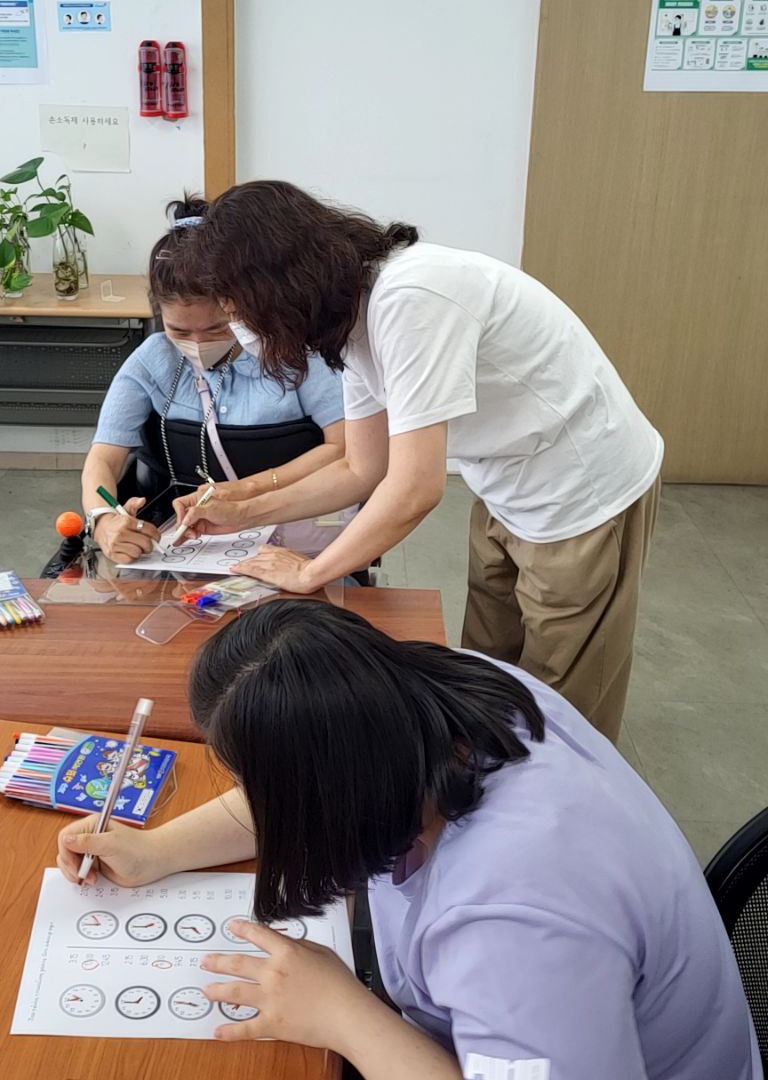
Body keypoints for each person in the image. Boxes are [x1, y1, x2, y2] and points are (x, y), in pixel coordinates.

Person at [56, 601, 760, 1079]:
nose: (260, 804)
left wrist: (341, 1014)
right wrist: (157, 849)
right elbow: (308, 781)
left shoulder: (513, 919)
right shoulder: (433, 692)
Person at [170, 180, 664, 740]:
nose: (240, 329)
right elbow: (363, 468)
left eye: (239, 309)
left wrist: (311, 571)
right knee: (491, 664)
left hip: (582, 488)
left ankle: (565, 812)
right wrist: (246, 514)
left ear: (281, 284)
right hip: (505, 478)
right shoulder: (347, 322)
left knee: (561, 697)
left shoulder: (411, 298)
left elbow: (413, 488)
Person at [81, 196, 348, 566]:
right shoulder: (151, 360)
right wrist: (103, 519)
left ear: (244, 306)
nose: (197, 343)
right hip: (191, 539)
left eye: (216, 328)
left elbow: (345, 447)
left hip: (300, 533)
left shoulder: (297, 355)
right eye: (179, 330)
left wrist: (245, 492)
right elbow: (103, 459)